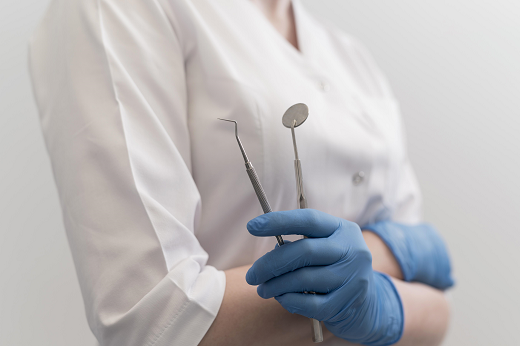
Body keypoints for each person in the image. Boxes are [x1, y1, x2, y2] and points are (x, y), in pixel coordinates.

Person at [29, 0, 454, 345]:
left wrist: (385, 307)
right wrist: (391, 250)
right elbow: (153, 320)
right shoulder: (118, 9)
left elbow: (438, 310)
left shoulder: (351, 57)